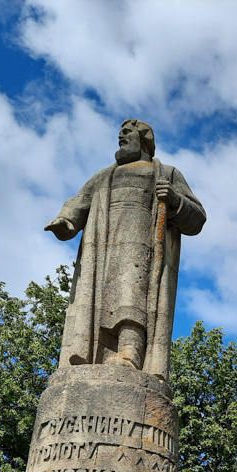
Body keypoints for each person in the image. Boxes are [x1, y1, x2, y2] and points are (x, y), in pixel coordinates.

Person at [45, 119, 206, 378]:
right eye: (120, 132)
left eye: (127, 132)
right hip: (102, 251)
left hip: (142, 250)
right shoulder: (103, 176)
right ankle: (93, 355)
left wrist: (175, 201)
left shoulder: (167, 173)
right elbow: (78, 201)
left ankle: (130, 353)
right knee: (95, 301)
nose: (120, 136)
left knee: (132, 297)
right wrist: (67, 220)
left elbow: (197, 218)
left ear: (144, 139)